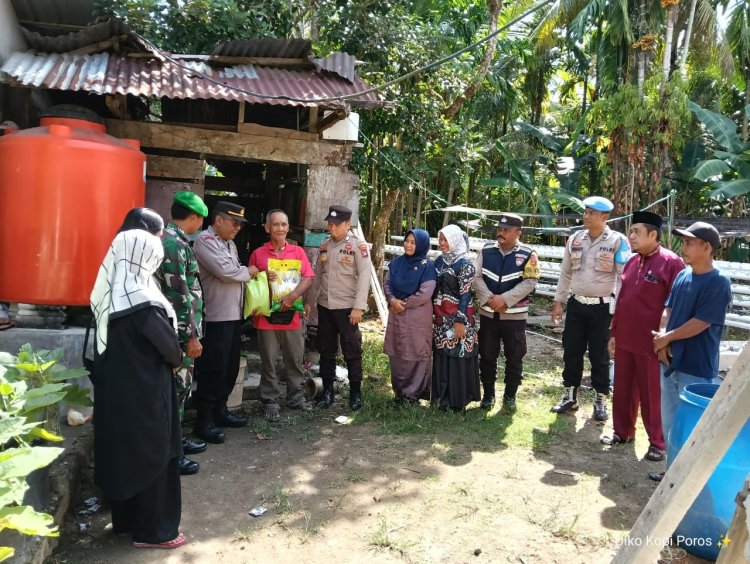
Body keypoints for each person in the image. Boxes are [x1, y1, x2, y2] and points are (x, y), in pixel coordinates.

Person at [90, 228, 186, 550]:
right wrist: (178, 358)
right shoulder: (144, 302)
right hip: (147, 395)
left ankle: (126, 522)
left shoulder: (106, 297)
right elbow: (170, 350)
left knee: (123, 452)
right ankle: (154, 532)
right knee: (154, 456)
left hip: (115, 394)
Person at [648, 221, 732, 482]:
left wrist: (665, 340)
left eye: (688, 242)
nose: (682, 247)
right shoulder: (684, 274)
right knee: (672, 423)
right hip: (670, 360)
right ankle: (672, 474)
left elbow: (702, 322)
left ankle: (690, 480)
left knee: (694, 426)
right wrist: (663, 338)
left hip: (695, 365)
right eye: (683, 242)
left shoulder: (718, 282)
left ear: (707, 247)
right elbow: (668, 309)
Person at [602, 211, 684, 461]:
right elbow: (623, 300)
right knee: (623, 389)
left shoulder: (671, 263)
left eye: (637, 232)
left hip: (652, 343)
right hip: (626, 337)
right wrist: (614, 333)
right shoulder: (631, 261)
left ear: (653, 234)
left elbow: (676, 306)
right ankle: (623, 431)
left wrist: (667, 339)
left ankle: (658, 443)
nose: (631, 236)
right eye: (631, 231)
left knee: (652, 395)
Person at [551, 196, 630, 420]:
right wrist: (559, 301)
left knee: (600, 355)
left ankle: (600, 399)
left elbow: (623, 278)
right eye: (585, 212)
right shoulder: (575, 239)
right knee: (571, 351)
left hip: (603, 308)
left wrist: (620, 312)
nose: (586, 216)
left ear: (605, 217)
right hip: (577, 305)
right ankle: (569, 396)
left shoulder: (617, 241)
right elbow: (566, 273)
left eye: (592, 213)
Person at [157, 191, 209, 476]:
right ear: (193, 217)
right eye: (200, 219)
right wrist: (191, 335)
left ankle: (176, 441)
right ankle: (170, 455)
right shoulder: (174, 244)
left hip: (178, 330)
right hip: (178, 333)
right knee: (176, 391)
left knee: (181, 390)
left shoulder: (172, 240)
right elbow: (179, 295)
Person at [192, 201, 251, 443]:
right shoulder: (204, 241)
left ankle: (221, 410)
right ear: (218, 220)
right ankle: (203, 419)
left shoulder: (229, 243)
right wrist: (250, 271)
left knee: (229, 368)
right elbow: (226, 271)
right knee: (212, 369)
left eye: (240, 224)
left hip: (232, 315)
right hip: (215, 317)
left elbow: (232, 270)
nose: (238, 228)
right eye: (234, 222)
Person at [248, 209, 315, 422]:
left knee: (294, 360)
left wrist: (293, 296)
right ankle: (270, 400)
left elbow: (308, 278)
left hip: (291, 316)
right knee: (268, 360)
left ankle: (296, 397)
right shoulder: (258, 254)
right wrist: (260, 274)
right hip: (266, 317)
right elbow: (249, 281)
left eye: (284, 224)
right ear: (267, 228)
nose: (280, 228)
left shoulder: (298, 252)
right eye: (275, 224)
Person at [305, 205, 371, 411]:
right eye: (329, 224)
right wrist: (309, 301)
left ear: (347, 225)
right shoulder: (325, 246)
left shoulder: (357, 246)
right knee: (326, 350)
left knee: (352, 350)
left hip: (347, 309)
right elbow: (317, 277)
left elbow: (365, 277)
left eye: (336, 225)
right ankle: (327, 393)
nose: (331, 228)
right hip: (325, 307)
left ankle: (355, 394)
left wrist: (359, 307)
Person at [472, 213, 539, 413]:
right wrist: (490, 299)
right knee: (487, 355)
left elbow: (530, 282)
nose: (501, 233)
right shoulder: (486, 250)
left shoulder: (529, 254)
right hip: (488, 314)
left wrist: (505, 300)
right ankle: (488, 395)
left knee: (515, 356)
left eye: (506, 230)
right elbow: (475, 277)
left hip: (515, 317)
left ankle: (510, 396)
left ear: (518, 233)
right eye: (499, 229)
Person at [384, 228, 438, 404]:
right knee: (398, 351)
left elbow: (425, 293)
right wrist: (392, 300)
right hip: (396, 313)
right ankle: (399, 393)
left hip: (416, 316)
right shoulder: (397, 263)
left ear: (421, 245)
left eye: (413, 242)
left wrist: (403, 304)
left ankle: (413, 394)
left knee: (415, 352)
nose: (408, 244)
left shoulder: (428, 267)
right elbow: (387, 283)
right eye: (407, 241)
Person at [432, 224, 480, 412]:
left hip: (460, 319)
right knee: (442, 356)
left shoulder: (465, 264)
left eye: (446, 239)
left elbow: (466, 294)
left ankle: (458, 400)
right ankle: (442, 399)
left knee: (458, 357)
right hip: (440, 318)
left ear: (455, 241)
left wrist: (460, 321)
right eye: (440, 239)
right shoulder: (439, 262)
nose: (442, 243)